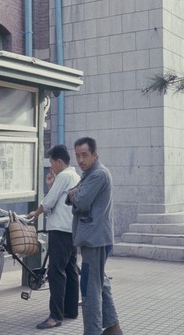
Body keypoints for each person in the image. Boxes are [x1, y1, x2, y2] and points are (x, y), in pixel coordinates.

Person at [66, 137, 123, 335]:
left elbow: (80, 201)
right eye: (78, 155)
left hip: (95, 239)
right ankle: (113, 327)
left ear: (94, 155)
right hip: (95, 238)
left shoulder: (98, 174)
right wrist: (74, 193)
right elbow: (75, 195)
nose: (80, 160)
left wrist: (75, 193)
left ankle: (92, 331)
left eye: (85, 155)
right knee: (100, 281)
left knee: (90, 288)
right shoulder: (90, 173)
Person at [29, 144, 80, 330]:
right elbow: (58, 198)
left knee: (56, 272)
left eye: (52, 162)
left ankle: (55, 316)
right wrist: (52, 185)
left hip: (60, 230)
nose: (51, 166)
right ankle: (71, 310)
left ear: (59, 161)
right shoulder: (75, 175)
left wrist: (36, 212)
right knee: (70, 270)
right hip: (72, 230)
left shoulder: (64, 175)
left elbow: (49, 201)